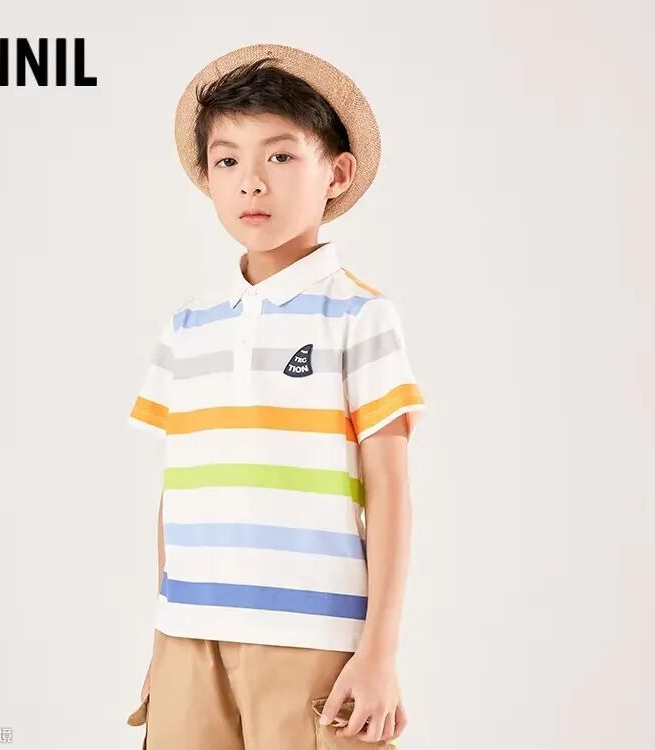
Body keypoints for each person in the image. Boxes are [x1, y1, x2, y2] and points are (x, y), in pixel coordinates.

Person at [125, 43, 427, 749]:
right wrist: (164, 633)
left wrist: (379, 652)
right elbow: (179, 490)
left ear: (336, 173)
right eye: (228, 161)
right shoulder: (188, 326)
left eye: (281, 156)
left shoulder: (359, 316)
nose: (251, 183)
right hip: (188, 638)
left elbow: (390, 490)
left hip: (312, 640)